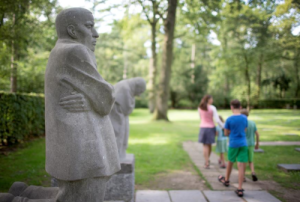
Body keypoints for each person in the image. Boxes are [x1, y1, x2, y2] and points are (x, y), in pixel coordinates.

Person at [45, 8, 120, 202]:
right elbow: (105, 98)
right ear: (72, 30)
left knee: (70, 197)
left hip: (75, 147)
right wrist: (94, 98)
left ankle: (23, 194)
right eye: (89, 26)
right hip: (85, 150)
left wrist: (87, 99)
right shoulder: (74, 50)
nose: (96, 34)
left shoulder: (58, 51)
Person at [109, 77, 146, 161]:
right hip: (116, 116)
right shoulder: (125, 88)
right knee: (118, 134)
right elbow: (127, 108)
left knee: (122, 134)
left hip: (120, 115)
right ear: (137, 86)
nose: (139, 95)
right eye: (139, 91)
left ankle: (120, 155)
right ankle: (116, 157)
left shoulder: (127, 87)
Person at [218, 99, 248, 197]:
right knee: (241, 165)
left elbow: (226, 133)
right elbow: (245, 130)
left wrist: (232, 132)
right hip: (243, 144)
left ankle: (226, 180)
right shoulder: (244, 118)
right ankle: (240, 188)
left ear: (231, 107)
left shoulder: (229, 119)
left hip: (233, 144)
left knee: (230, 162)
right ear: (240, 107)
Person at [198, 95, 224, 169]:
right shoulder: (212, 108)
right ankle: (207, 160)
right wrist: (223, 127)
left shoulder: (200, 107)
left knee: (205, 145)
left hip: (203, 127)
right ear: (208, 100)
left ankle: (206, 161)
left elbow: (200, 117)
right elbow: (217, 120)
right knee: (209, 145)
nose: (212, 100)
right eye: (211, 99)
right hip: (211, 128)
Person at [240, 109, 259, 182]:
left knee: (243, 161)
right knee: (250, 160)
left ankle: (243, 176)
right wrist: (257, 143)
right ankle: (253, 172)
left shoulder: (242, 124)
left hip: (243, 144)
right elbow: (257, 134)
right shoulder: (252, 123)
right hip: (251, 144)